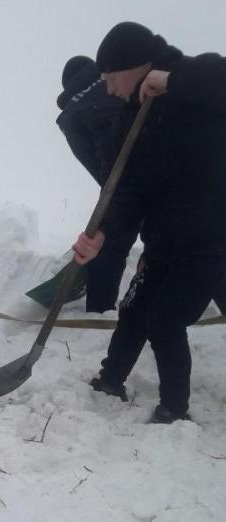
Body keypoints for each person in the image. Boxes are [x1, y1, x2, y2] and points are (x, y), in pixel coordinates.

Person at [72, 22, 226, 424]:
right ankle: (110, 381)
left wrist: (174, 80)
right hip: (164, 241)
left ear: (135, 65)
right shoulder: (132, 117)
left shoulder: (194, 82)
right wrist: (103, 233)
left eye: (110, 78)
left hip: (210, 240)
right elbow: (129, 191)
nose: (107, 88)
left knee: (166, 320)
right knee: (134, 309)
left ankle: (174, 409)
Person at [56, 55, 140, 313]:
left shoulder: (72, 114)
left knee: (109, 241)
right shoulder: (119, 81)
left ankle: (100, 308)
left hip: (128, 182)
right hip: (167, 169)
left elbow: (109, 160)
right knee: (203, 242)